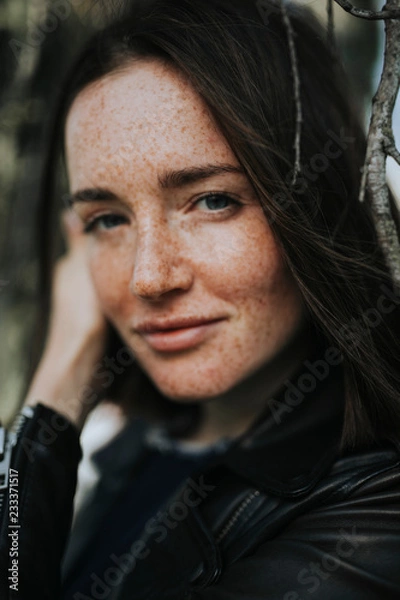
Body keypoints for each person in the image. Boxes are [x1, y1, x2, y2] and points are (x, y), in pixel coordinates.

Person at [1, 0, 400, 598]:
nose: (149, 278)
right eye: (108, 218)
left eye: (213, 201)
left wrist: (50, 405)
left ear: (321, 205)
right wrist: (54, 403)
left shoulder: (375, 513)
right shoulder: (144, 444)